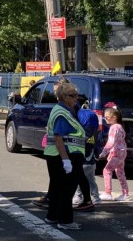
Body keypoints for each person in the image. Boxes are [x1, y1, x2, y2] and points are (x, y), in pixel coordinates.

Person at [43, 81, 86, 231]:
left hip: (56, 155)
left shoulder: (66, 110)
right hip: (64, 155)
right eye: (72, 95)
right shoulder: (61, 113)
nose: (76, 98)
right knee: (67, 189)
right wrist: (66, 160)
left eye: (76, 94)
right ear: (63, 97)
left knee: (57, 187)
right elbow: (58, 137)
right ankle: (65, 220)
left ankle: (52, 216)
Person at [99, 107, 130, 201]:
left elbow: (111, 142)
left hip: (116, 152)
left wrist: (103, 153)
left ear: (114, 117)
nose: (105, 119)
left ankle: (108, 193)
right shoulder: (120, 126)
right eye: (105, 117)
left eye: (107, 117)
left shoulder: (114, 127)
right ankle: (125, 194)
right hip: (122, 151)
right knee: (120, 172)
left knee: (107, 170)